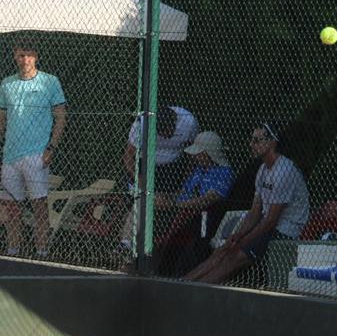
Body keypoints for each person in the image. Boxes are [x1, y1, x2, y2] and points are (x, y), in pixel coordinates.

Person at [183, 123, 309, 284]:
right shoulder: (263, 169)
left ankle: (196, 290)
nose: (251, 144)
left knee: (234, 256)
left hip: (286, 229)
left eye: (256, 140)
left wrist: (244, 241)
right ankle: (184, 283)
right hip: (267, 224)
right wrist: (237, 235)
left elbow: (272, 220)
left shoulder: (284, 171)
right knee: (222, 250)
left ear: (271, 142)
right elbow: (255, 210)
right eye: (252, 140)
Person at [0, 39, 66, 258]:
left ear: (36, 56)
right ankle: (13, 252)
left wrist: (51, 148)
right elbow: (1, 120)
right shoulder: (6, 84)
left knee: (39, 206)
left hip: (37, 154)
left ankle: (42, 253)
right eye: (21, 55)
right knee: (11, 208)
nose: (25, 59)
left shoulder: (50, 81)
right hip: (10, 156)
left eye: (29, 55)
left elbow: (61, 117)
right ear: (14, 56)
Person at [151, 131, 235, 276]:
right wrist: (165, 197)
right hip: (181, 214)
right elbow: (183, 194)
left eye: (199, 152)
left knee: (187, 246)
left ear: (209, 153)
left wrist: (171, 205)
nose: (195, 156)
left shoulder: (224, 173)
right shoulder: (199, 170)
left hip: (204, 219)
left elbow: (206, 201)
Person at [119, 105, 199, 251]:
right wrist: (142, 182)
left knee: (159, 201)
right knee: (142, 199)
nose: (168, 135)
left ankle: (153, 245)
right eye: (162, 132)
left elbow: (192, 156)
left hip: (173, 168)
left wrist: (186, 182)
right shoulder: (141, 125)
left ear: (176, 121)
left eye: (170, 130)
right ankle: (127, 243)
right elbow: (128, 156)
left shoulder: (188, 121)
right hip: (144, 165)